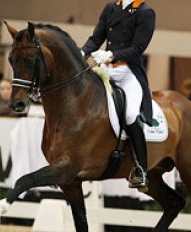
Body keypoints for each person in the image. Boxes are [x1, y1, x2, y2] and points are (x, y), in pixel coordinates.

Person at [81, 0, 156, 189]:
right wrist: (82, 52)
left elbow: (138, 48)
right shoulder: (111, 7)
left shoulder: (145, 12)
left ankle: (141, 169)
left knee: (131, 115)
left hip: (129, 72)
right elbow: (97, 37)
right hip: (107, 69)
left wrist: (111, 55)